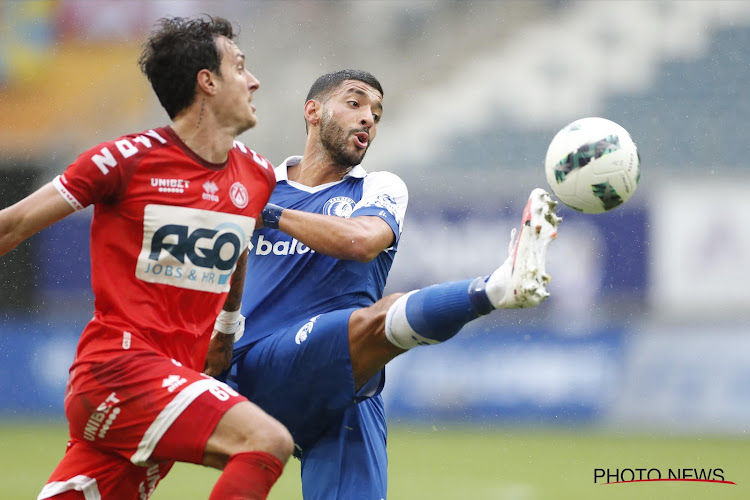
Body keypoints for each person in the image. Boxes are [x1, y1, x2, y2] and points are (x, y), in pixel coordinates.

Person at [204, 69, 562, 499]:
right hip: (258, 368)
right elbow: (219, 269)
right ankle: (497, 288)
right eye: (355, 103)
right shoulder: (258, 183)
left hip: (345, 385)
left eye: (377, 112)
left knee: (366, 339)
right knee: (374, 319)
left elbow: (362, 241)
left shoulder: (378, 187)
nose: (368, 118)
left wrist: (271, 214)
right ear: (313, 111)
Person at [0, 16, 294, 500]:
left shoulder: (257, 174)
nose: (253, 80)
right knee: (266, 441)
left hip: (176, 378)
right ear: (207, 81)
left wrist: (226, 327)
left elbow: (237, 242)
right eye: (240, 67)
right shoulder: (123, 160)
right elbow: (11, 224)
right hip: (120, 368)